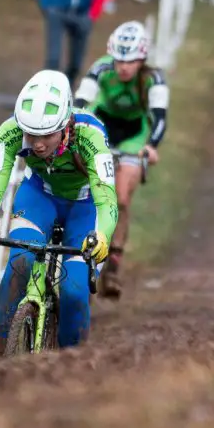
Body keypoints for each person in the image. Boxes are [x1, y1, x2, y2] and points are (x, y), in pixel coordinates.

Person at [0, 70, 117, 356]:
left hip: (85, 208)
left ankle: (72, 363)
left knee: (74, 290)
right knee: (20, 261)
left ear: (66, 124)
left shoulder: (91, 136)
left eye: (46, 134)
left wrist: (103, 235)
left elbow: (107, 198)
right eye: (31, 133)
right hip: (39, 196)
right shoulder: (10, 131)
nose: (37, 143)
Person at [74, 21, 169, 299]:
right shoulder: (101, 68)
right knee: (85, 188)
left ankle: (113, 262)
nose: (123, 67)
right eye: (119, 60)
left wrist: (151, 146)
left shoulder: (154, 78)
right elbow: (80, 102)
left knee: (121, 197)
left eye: (130, 61)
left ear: (142, 59)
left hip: (134, 138)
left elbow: (160, 117)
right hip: (101, 128)